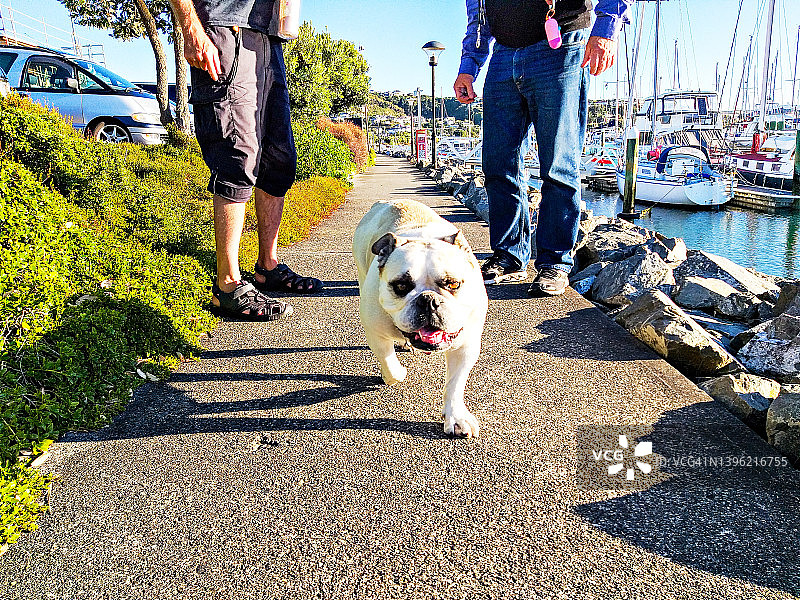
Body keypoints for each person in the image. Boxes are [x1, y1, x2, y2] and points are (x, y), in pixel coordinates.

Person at [454, 0, 631, 296]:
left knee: (558, 166)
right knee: (498, 165)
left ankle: (555, 263)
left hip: (561, 43)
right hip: (503, 55)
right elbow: (480, 15)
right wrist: (468, 67)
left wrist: (606, 28)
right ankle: (509, 257)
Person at [169, 0, 322, 321]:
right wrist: (191, 27)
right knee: (238, 157)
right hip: (223, 31)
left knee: (278, 161)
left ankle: (268, 266)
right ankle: (227, 285)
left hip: (270, 37)